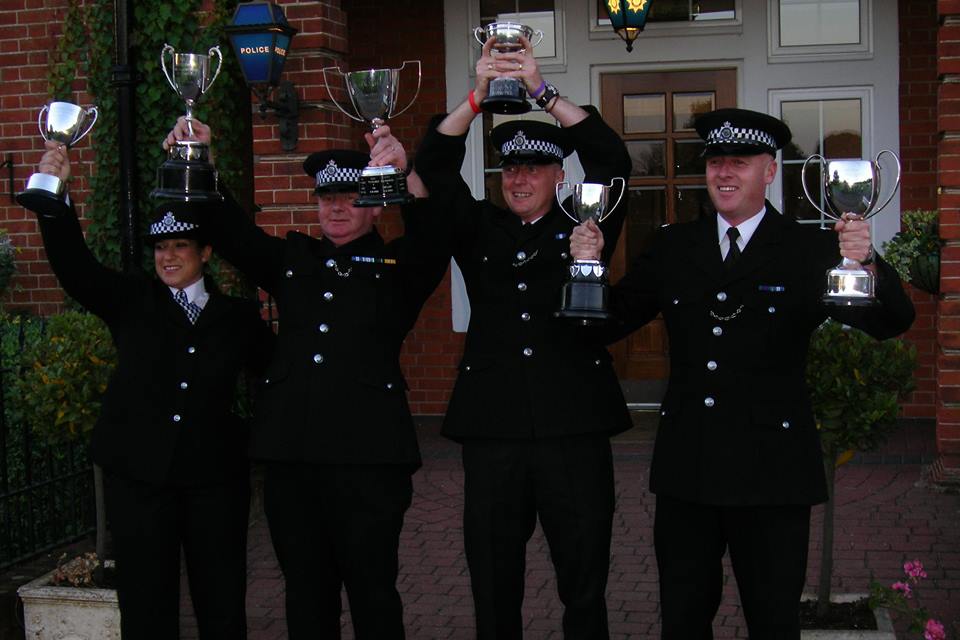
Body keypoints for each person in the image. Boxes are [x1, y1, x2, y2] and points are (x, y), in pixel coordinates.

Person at [570, 107, 916, 639]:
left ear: (769, 171)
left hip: (772, 471)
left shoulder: (808, 248)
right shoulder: (673, 246)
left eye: (740, 161)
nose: (724, 172)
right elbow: (606, 323)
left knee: (773, 621)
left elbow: (891, 322)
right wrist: (588, 266)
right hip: (690, 468)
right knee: (683, 620)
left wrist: (866, 262)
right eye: (715, 162)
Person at [163, 118, 447, 639]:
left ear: (375, 205)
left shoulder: (398, 267)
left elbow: (434, 235)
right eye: (326, 198)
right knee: (305, 596)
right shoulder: (294, 260)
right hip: (293, 460)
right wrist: (200, 161)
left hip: (369, 464)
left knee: (373, 595)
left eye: (350, 198)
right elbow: (232, 233)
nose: (336, 208)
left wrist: (405, 171)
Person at [413, 35, 633, 639]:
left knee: (583, 579)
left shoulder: (588, 220)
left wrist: (541, 90)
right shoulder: (477, 227)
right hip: (494, 430)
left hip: (573, 427)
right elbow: (432, 166)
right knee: (492, 578)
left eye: (534, 168)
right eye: (511, 168)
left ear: (559, 175)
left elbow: (613, 159)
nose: (519, 178)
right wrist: (478, 98)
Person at [25, 141, 275, 639]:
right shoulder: (132, 300)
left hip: (213, 478)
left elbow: (275, 373)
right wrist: (56, 198)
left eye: (180, 246)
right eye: (161, 248)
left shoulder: (237, 317)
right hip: (139, 477)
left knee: (222, 599)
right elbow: (75, 269)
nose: (168, 256)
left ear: (205, 252)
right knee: (146, 603)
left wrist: (249, 435)